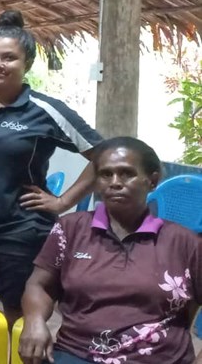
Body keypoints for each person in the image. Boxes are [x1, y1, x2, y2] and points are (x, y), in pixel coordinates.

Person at [0, 10, 102, 327]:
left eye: (9, 58)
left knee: (19, 317)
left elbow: (105, 155)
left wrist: (63, 202)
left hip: (22, 231)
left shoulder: (44, 110)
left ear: (26, 64)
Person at [19, 137, 202, 364]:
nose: (115, 182)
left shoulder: (184, 243)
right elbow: (39, 285)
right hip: (77, 354)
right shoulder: (71, 229)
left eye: (126, 174)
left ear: (152, 181)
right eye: (106, 174)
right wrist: (34, 321)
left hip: (160, 358)